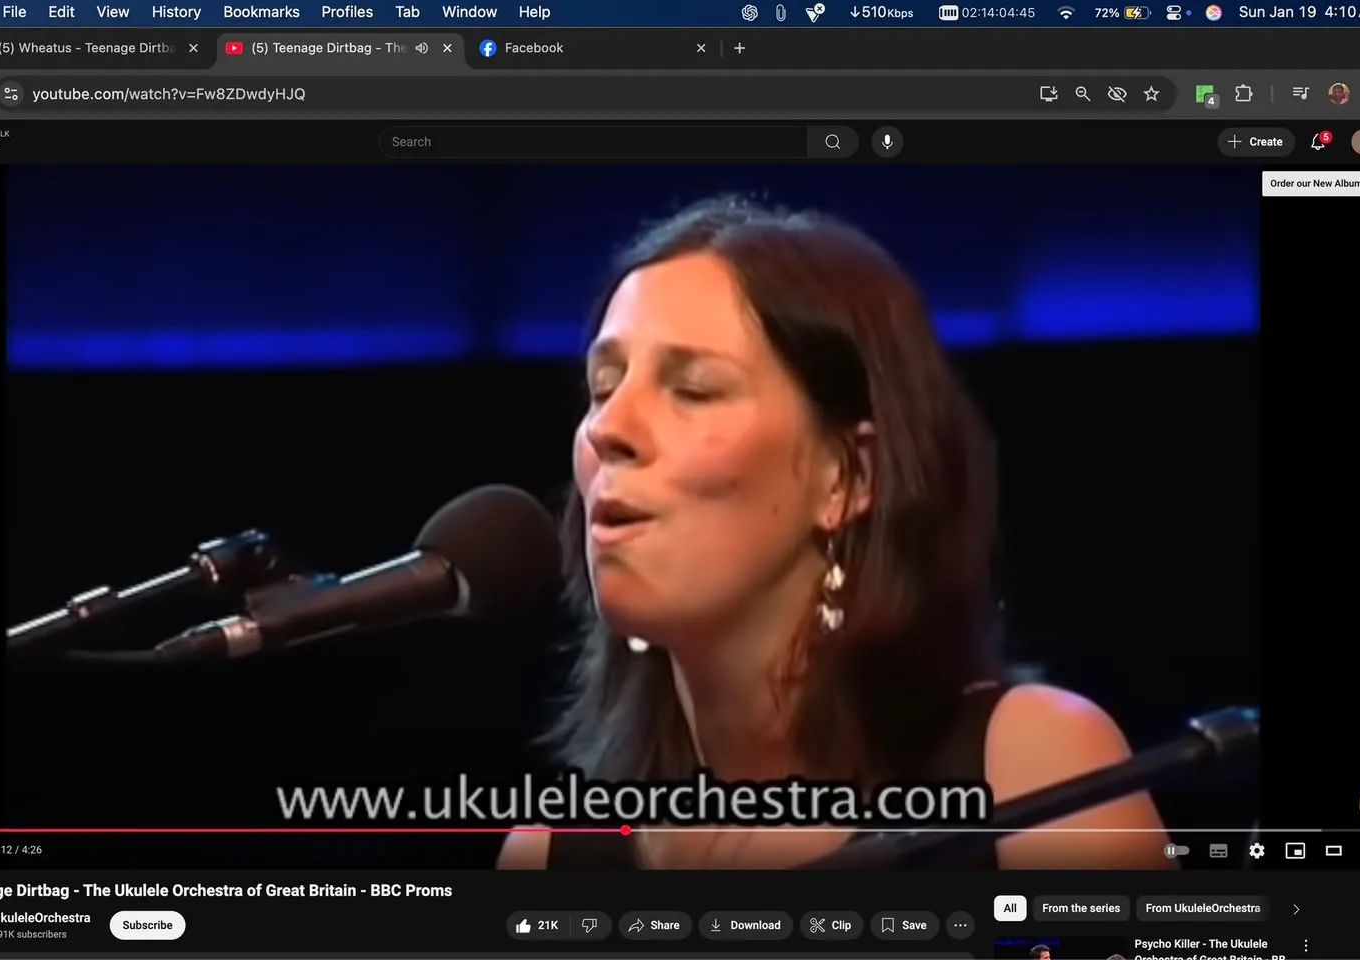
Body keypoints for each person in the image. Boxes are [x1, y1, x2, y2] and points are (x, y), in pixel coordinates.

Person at [498, 195, 1172, 870]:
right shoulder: (547, 854)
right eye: (603, 385)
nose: (607, 429)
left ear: (847, 478)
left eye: (694, 389)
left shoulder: (1033, 774)